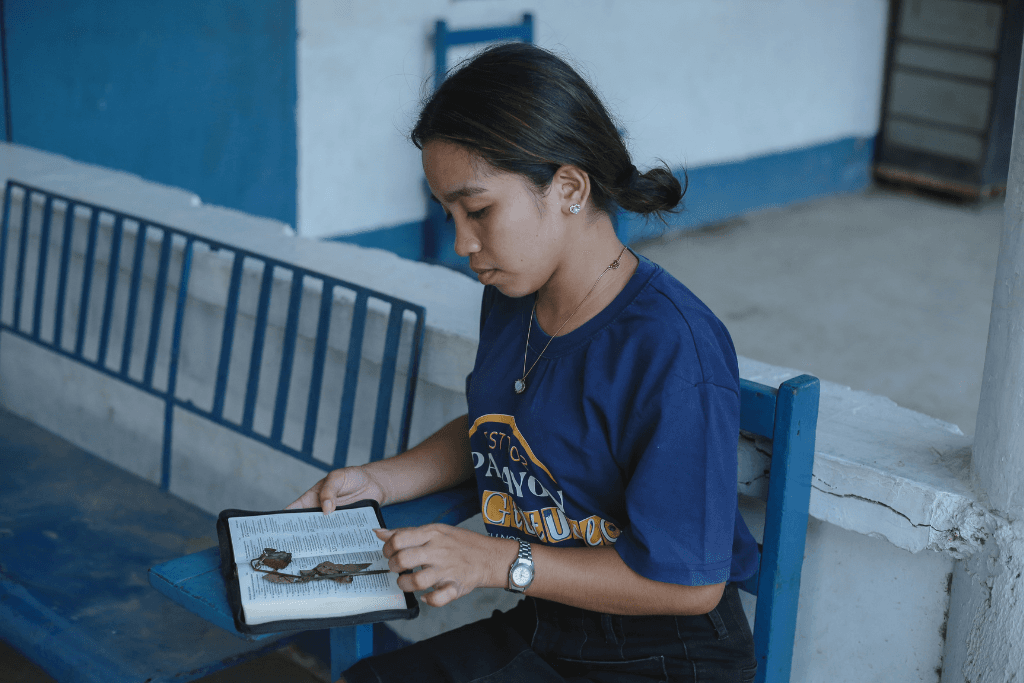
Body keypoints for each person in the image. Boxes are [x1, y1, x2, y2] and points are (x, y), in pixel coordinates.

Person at [288, 42, 760, 683]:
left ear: (567, 186)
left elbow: (692, 586)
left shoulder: (670, 346)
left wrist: (493, 562)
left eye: (478, 210)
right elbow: (503, 427)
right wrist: (380, 481)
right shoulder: (512, 300)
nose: (462, 243)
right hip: (551, 626)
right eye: (449, 214)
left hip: (667, 656)